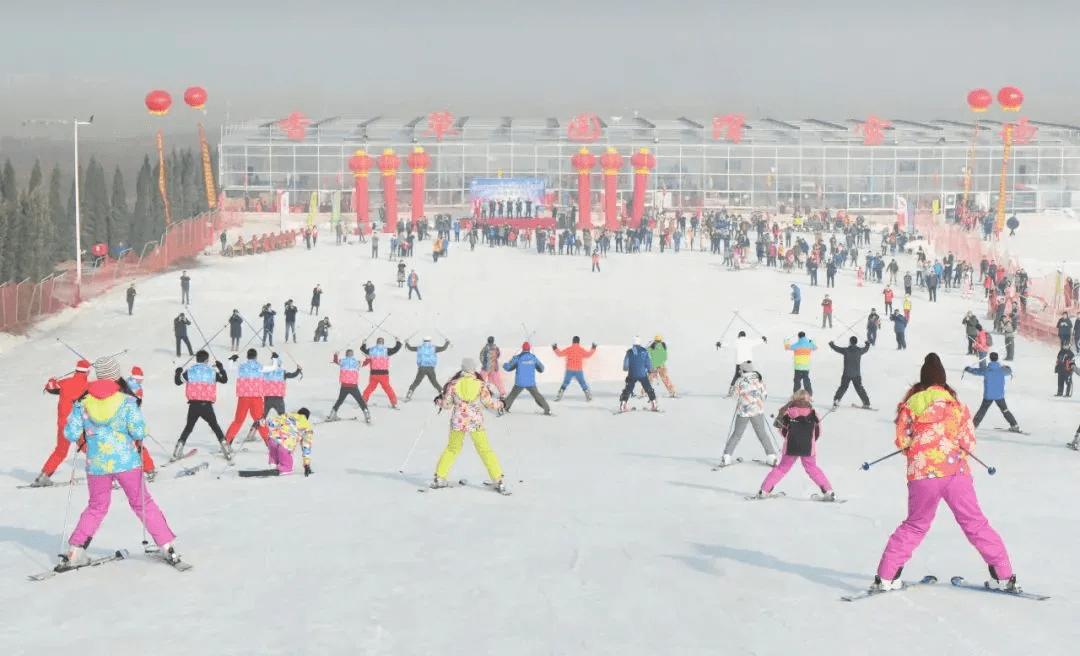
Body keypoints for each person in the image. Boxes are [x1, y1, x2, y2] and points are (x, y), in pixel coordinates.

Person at [871, 352, 1018, 593]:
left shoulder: (912, 404)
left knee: (915, 525)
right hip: (955, 473)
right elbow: (968, 442)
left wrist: (916, 448)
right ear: (943, 379)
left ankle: (886, 577)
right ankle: (1004, 575)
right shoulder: (956, 406)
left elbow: (902, 440)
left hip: (922, 475)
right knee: (975, 524)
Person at [57, 357, 181, 571]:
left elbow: (70, 433)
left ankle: (75, 550)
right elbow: (140, 431)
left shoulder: (83, 402)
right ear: (115, 375)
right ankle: (167, 546)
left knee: (96, 506)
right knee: (142, 503)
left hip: (97, 464)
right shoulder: (126, 401)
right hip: (126, 462)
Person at [432, 359, 509, 493]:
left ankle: (439, 477)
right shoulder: (480, 385)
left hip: (458, 422)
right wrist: (501, 404)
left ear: (462, 369)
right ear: (474, 369)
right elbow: (489, 403)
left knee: (452, 449)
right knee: (485, 450)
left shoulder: (453, 384)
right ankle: (498, 480)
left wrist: (439, 400)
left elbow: (447, 405)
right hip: (475, 422)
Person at [754, 390, 833, 499]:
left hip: (791, 446)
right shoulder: (813, 412)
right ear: (808, 399)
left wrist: (790, 436)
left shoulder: (788, 412)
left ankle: (764, 490)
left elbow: (783, 431)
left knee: (781, 468)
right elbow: (818, 432)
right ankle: (828, 491)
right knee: (812, 468)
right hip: (808, 447)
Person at [31, 360, 92, 487]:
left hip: (63, 424)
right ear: (87, 372)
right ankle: (107, 476)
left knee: (60, 451)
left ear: (76, 370)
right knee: (91, 449)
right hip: (79, 426)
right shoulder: (88, 386)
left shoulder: (65, 383)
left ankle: (43, 476)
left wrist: (52, 380)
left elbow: (50, 387)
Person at [173, 350, 230, 460]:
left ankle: (179, 447)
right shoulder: (211, 371)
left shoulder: (190, 371)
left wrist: (178, 372)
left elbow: (177, 381)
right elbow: (224, 380)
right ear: (206, 359)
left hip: (193, 404)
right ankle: (225, 448)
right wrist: (221, 368)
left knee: (189, 427)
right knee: (215, 426)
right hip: (206, 404)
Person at [720, 362, 777, 466]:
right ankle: (771, 456)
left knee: (737, 434)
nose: (739, 371)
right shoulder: (758, 380)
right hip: (757, 411)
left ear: (743, 370)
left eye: (740, 369)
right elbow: (764, 395)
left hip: (743, 411)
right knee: (762, 434)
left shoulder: (739, 381)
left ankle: (726, 456)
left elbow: (734, 396)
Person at [224, 349, 271, 446]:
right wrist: (275, 358)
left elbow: (231, 367)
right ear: (256, 356)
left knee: (238, 420)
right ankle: (269, 442)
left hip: (243, 397)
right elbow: (273, 367)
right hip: (256, 398)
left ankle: (227, 441)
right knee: (260, 420)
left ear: (247, 356)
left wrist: (232, 359)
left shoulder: (241, 367)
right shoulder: (260, 367)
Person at [963, 352, 1021, 432]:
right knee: (1005, 410)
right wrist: (1007, 367)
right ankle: (1014, 425)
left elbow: (976, 371)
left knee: (982, 411)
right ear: (997, 359)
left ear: (990, 358)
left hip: (988, 395)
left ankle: (973, 426)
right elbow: (1009, 370)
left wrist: (968, 369)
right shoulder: (1002, 370)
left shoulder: (986, 370)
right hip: (999, 395)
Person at [124, 366, 157, 481]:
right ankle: (148, 468)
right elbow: (135, 407)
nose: (142, 380)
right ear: (137, 379)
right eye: (141, 379)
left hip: (121, 422)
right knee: (138, 446)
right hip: (132, 422)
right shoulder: (137, 389)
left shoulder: (124, 386)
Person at [262, 409, 314, 476]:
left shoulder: (289, 415)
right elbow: (306, 446)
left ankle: (273, 464)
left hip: (272, 440)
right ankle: (282, 469)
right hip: (286, 444)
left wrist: (262, 422)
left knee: (274, 450)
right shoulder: (307, 427)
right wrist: (306, 465)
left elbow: (273, 422)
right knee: (287, 467)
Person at [503, 342, 551, 414]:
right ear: (529, 348)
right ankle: (547, 409)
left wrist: (505, 364)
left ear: (522, 348)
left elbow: (508, 368)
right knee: (537, 396)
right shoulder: (533, 357)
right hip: (530, 382)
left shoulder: (517, 358)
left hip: (520, 382)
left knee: (512, 396)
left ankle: (505, 408)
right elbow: (541, 368)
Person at [327, 349, 371, 422]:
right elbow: (366, 362)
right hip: (353, 386)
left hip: (344, 386)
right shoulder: (357, 362)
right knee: (360, 401)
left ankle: (332, 414)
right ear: (352, 355)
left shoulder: (342, 361)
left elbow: (335, 360)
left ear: (346, 354)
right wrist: (368, 357)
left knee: (340, 401)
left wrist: (336, 354)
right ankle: (367, 414)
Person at [717, 330, 767, 394]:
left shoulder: (737, 342)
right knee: (750, 377)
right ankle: (758, 390)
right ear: (744, 336)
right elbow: (757, 342)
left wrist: (720, 344)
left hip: (740, 363)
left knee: (737, 377)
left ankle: (731, 392)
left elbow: (728, 344)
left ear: (739, 335)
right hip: (748, 363)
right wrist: (763, 339)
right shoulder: (749, 341)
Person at [828, 336, 872, 409]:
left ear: (850, 342)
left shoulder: (846, 350)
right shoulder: (859, 350)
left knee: (843, 388)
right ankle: (866, 403)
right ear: (856, 342)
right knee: (859, 388)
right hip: (856, 374)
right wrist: (867, 344)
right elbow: (866, 349)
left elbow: (837, 349)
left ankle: (836, 400)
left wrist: (832, 344)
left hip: (846, 374)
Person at [360, 337, 402, 407]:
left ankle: (363, 401)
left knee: (370, 388)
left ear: (376, 342)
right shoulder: (386, 350)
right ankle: (394, 402)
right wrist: (398, 341)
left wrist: (364, 343)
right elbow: (396, 349)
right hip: (384, 374)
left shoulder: (371, 350)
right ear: (383, 342)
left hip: (374, 373)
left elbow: (362, 349)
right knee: (388, 388)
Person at [404, 337, 450, 401]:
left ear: (423, 341)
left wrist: (406, 342)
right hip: (430, 368)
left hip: (422, 368)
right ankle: (443, 394)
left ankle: (409, 394)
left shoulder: (419, 347)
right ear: (430, 340)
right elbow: (443, 348)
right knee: (434, 382)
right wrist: (447, 342)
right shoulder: (434, 347)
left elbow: (410, 348)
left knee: (416, 382)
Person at [618, 337, 658, 412]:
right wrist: (650, 370)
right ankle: (654, 403)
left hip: (632, 374)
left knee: (628, 389)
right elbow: (648, 362)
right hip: (642, 374)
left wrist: (626, 368)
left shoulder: (629, 352)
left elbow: (626, 364)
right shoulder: (644, 351)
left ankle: (623, 403)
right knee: (648, 388)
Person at [552, 336, 597, 401]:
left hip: (569, 370)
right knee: (582, 383)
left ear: (573, 341)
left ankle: (559, 396)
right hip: (578, 370)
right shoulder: (581, 349)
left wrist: (555, 348)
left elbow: (560, 354)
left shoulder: (569, 349)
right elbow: (588, 354)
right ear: (579, 341)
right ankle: (588, 396)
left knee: (565, 382)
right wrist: (593, 348)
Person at [261, 352, 302, 418]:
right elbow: (293, 375)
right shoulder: (282, 372)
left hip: (267, 398)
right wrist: (298, 370)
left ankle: (256, 427)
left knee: (262, 417)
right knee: (283, 418)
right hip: (278, 399)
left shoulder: (266, 371)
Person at [783, 331, 817, 395]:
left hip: (798, 366)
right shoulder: (809, 344)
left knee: (797, 381)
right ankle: (809, 394)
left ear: (798, 337)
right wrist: (812, 341)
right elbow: (815, 347)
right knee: (806, 380)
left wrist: (786, 341)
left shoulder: (797, 345)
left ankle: (796, 395)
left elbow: (787, 347)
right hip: (806, 366)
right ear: (805, 336)